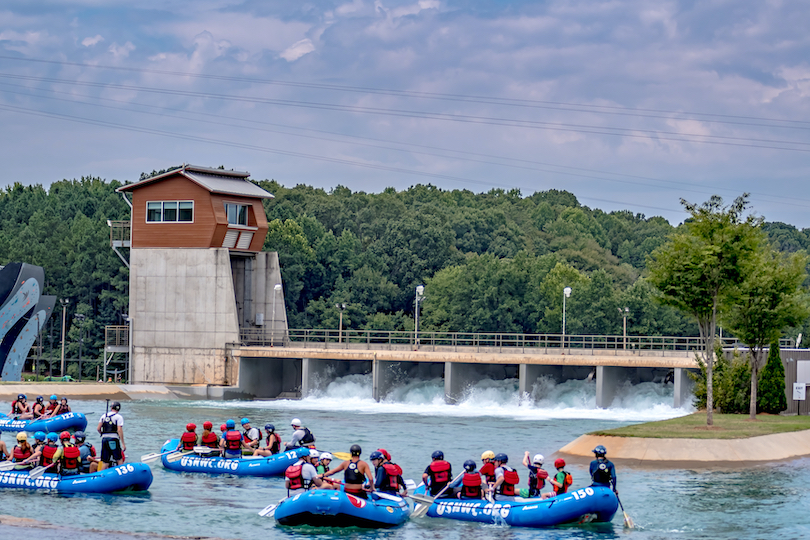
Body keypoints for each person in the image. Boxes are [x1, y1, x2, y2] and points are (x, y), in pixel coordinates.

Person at [97, 401, 125, 471]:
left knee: (105, 461)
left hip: (104, 439)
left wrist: (102, 433)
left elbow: (98, 428)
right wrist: (123, 443)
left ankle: (100, 476)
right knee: (119, 459)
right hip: (113, 439)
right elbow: (119, 430)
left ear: (111, 407)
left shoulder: (104, 416)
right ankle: (122, 475)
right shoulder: (119, 417)